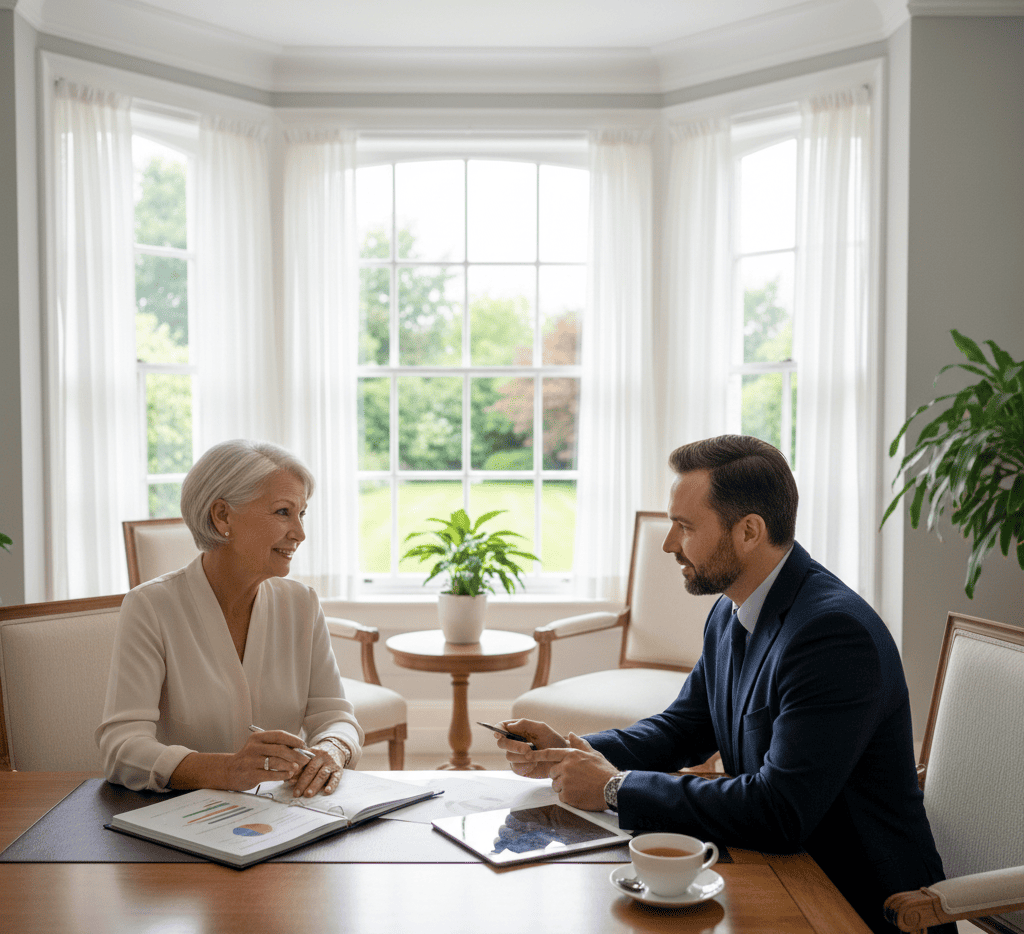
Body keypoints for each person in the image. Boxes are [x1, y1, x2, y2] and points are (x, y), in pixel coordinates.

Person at [493, 435, 952, 934]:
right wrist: (569, 752)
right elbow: (681, 728)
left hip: (857, 904)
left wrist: (612, 788)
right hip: (778, 868)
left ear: (749, 531)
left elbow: (779, 810)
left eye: (685, 527)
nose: (669, 544)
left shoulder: (833, 635)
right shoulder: (731, 610)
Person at [97, 439, 363, 798]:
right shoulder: (151, 606)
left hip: (281, 817)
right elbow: (120, 747)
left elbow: (335, 717)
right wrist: (228, 770)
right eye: (283, 512)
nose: (300, 533)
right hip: (181, 816)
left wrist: (333, 748)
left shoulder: (302, 603)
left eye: (301, 514)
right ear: (222, 516)